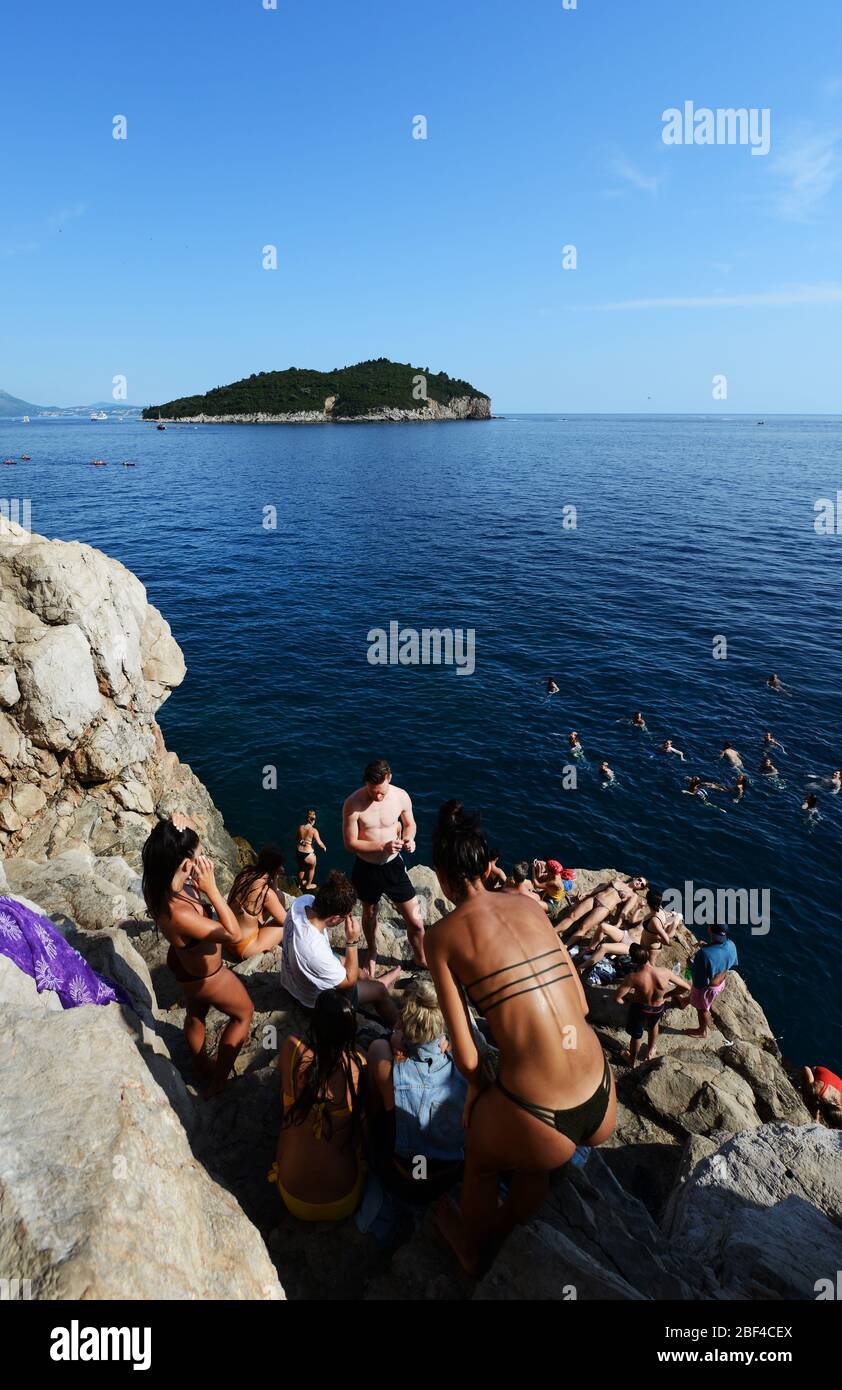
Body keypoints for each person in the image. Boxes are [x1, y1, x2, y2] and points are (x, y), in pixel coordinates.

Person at [425, 801, 616, 1276]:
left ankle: (472, 1249)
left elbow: (467, 1056)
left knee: (482, 1155)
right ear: (490, 866)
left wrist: (476, 1093)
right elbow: (584, 1003)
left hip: (541, 1118)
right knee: (533, 1159)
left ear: (443, 879)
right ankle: (511, 1223)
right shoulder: (529, 904)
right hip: (602, 1099)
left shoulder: (442, 937)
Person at [141, 818, 253, 1097]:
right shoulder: (179, 913)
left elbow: (171, 844)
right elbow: (233, 934)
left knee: (195, 1014)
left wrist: (177, 821)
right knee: (243, 1014)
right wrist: (212, 890)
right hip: (208, 976)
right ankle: (217, 1082)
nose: (204, 860)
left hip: (184, 964)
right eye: (199, 856)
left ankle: (201, 1064)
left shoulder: (157, 883)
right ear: (184, 864)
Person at [367, 976, 467, 1204]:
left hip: (401, 1178)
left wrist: (392, 1039)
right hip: (447, 1177)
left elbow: (374, 1110)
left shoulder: (384, 1057)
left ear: (403, 1021)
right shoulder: (465, 1063)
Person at [268, 990, 367, 1221]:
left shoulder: (293, 1050)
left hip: (292, 1198)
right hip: (344, 1199)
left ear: (315, 1025)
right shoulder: (359, 1064)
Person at [280, 870, 399, 1024]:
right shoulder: (315, 952)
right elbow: (348, 982)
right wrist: (352, 941)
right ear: (335, 918)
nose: (347, 919)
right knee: (380, 991)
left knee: (358, 971)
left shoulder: (302, 902)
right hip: (313, 1003)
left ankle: (373, 983)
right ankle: (401, 1029)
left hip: (292, 982)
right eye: (346, 916)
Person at [342, 758, 426, 976]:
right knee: (369, 914)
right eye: (373, 791)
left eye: (381, 792)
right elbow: (350, 843)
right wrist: (382, 846)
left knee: (416, 921)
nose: (377, 797)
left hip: (393, 867)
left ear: (389, 778)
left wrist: (409, 839)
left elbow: (410, 824)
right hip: (366, 867)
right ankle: (371, 952)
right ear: (366, 783)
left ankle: (421, 958)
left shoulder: (400, 796)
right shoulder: (353, 803)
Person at [613, 943, 688, 1066]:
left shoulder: (633, 977)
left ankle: (632, 1060)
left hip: (640, 1009)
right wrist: (667, 996)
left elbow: (617, 998)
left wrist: (625, 1002)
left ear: (632, 960)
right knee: (654, 1025)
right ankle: (651, 1050)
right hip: (658, 1007)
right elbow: (685, 987)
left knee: (636, 1035)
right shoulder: (665, 972)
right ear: (647, 955)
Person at [227, 845, 287, 959]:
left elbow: (275, 894)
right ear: (276, 867)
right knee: (288, 926)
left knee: (279, 896)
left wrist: (275, 877)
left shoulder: (246, 872)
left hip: (227, 936)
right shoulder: (265, 893)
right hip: (243, 948)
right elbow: (286, 922)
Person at [682, 925, 738, 1040]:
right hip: (721, 981)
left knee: (702, 1009)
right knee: (699, 999)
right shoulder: (731, 944)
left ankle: (702, 1031)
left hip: (708, 988)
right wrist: (707, 946)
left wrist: (690, 965)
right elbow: (721, 954)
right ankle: (684, 1002)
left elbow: (698, 980)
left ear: (710, 930)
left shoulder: (704, 954)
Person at [561, 874, 648, 945]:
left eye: (642, 885)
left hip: (604, 908)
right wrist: (585, 893)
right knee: (572, 915)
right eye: (639, 880)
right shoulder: (617, 880)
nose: (639, 883)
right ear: (635, 878)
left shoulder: (633, 895)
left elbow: (625, 911)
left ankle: (566, 946)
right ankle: (555, 930)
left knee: (584, 927)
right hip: (594, 898)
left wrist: (618, 923)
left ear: (640, 888)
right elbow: (600, 888)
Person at [296, 810, 326, 891]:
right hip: (308, 854)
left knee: (301, 868)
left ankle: (299, 884)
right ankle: (308, 885)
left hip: (299, 852)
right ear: (312, 820)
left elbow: (296, 838)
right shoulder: (314, 830)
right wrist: (324, 847)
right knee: (311, 868)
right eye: (314, 819)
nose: (315, 821)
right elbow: (319, 843)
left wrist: (302, 841)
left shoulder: (300, 827)